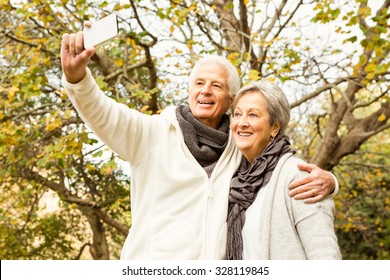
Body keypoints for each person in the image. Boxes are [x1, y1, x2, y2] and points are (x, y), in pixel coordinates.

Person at [60, 24, 338, 259]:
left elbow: (276, 164)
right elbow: (103, 113)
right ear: (189, 90)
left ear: (231, 100)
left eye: (216, 85)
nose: (206, 91)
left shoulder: (238, 146)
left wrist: (331, 182)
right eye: (199, 83)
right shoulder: (152, 134)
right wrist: (78, 78)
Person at [227, 80, 342, 260]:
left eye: (253, 115)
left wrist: (332, 183)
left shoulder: (298, 177)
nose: (241, 123)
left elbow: (323, 252)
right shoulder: (236, 178)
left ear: (275, 127)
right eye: (237, 114)